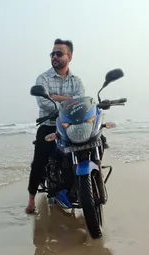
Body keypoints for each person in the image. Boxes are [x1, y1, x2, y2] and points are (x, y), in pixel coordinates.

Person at [25, 38, 108, 214]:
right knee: (40, 159)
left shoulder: (76, 81)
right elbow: (44, 103)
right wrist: (67, 100)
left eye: (58, 53)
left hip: (73, 125)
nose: (54, 56)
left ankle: (84, 178)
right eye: (52, 54)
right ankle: (31, 198)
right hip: (49, 124)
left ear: (69, 57)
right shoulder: (43, 78)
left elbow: (82, 101)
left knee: (101, 139)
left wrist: (57, 97)